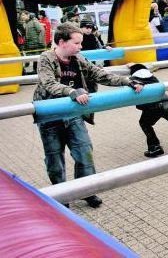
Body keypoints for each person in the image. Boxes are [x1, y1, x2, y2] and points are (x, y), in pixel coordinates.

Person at [33, 23, 143, 208]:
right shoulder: (46, 58)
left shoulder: (78, 58)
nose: (80, 47)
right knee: (54, 159)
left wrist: (127, 81)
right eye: (77, 43)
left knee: (84, 152)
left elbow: (100, 74)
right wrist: (71, 92)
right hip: (50, 116)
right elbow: (48, 83)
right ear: (62, 42)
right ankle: (61, 195)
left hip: (73, 114)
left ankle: (84, 190)